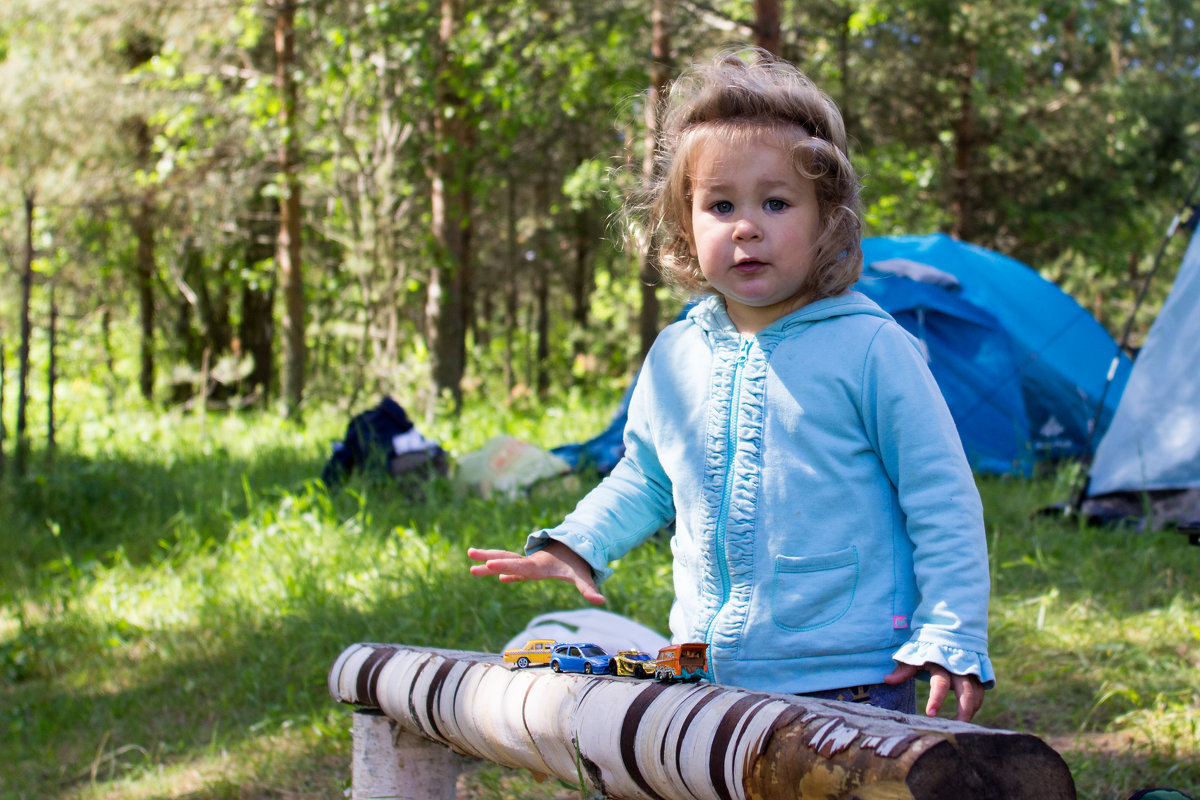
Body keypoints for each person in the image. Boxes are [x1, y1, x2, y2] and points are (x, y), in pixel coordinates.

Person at [468, 48, 993, 721]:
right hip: (706, 670)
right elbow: (647, 478)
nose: (747, 226)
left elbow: (940, 496)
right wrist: (576, 545)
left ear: (827, 217)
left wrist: (950, 631)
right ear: (685, 225)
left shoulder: (871, 348)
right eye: (720, 205)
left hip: (849, 673)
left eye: (776, 202)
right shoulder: (676, 353)